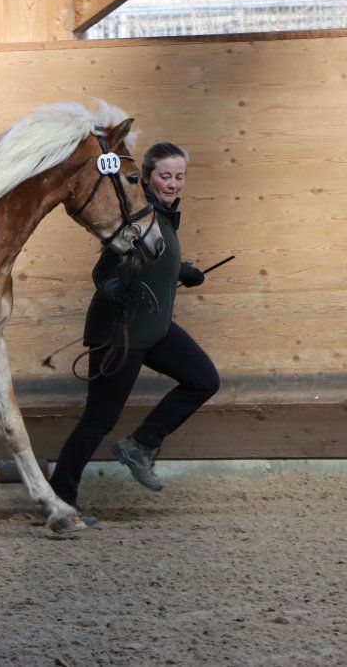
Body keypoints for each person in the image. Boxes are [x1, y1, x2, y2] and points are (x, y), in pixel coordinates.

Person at [47, 142, 220, 520]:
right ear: (146, 177)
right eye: (165, 176)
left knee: (204, 379)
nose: (173, 184)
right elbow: (103, 271)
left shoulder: (166, 216)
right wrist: (109, 286)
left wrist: (182, 269)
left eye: (179, 176)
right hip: (120, 331)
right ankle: (60, 498)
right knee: (98, 420)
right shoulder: (138, 215)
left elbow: (155, 260)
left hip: (154, 328)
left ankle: (140, 445)